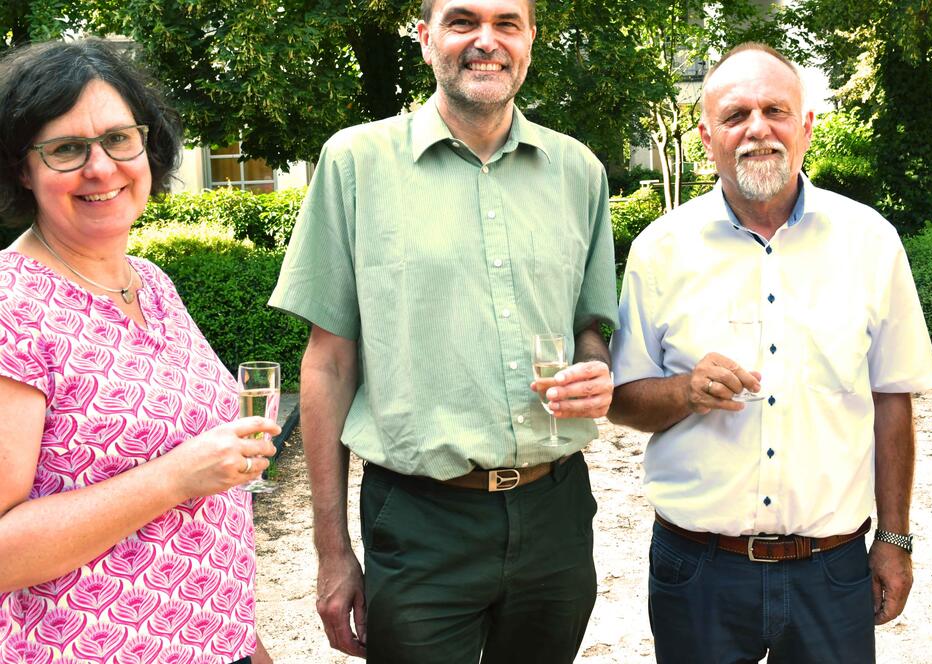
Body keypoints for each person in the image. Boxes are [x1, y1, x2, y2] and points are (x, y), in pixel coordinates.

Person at [267, 0, 618, 661]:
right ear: (426, 39)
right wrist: (332, 552)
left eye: (507, 23)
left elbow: (586, 325)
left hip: (557, 514)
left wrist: (595, 365)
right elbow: (328, 365)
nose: (487, 40)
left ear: (530, 40)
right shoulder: (354, 162)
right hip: (420, 520)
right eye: (463, 21)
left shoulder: (580, 171)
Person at [608, 42, 932, 663]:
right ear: (707, 137)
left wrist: (895, 538)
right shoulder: (660, 249)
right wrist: (684, 391)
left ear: (806, 125)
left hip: (831, 568)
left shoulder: (871, 241)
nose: (757, 128)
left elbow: (892, 398)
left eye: (775, 110)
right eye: (735, 115)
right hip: (698, 568)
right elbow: (622, 400)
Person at [0, 39, 278, 663]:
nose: (101, 168)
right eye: (66, 149)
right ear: (22, 169)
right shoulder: (9, 304)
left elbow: (200, 520)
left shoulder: (151, 283)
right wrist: (176, 477)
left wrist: (248, 645)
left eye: (118, 139)